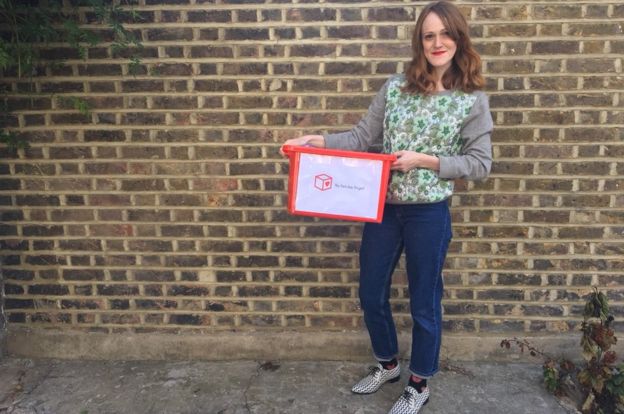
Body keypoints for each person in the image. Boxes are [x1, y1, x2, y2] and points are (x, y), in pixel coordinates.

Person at [281, 2, 492, 413]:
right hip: (384, 208)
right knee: (371, 291)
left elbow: (480, 164)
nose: (437, 43)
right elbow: (361, 137)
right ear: (420, 41)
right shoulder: (396, 88)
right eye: (429, 35)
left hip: (429, 213)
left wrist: (426, 161)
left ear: (459, 39)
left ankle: (419, 383)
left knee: (424, 301)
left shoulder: (471, 101)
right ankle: (388, 364)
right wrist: (315, 142)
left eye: (445, 34)